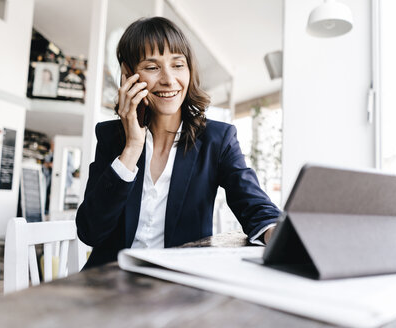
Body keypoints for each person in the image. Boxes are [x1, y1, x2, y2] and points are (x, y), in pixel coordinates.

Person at [76, 17, 279, 269]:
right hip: (111, 282)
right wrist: (131, 148)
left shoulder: (218, 140)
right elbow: (90, 232)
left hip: (179, 284)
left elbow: (255, 206)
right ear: (128, 74)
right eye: (152, 67)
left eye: (178, 65)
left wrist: (278, 236)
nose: (169, 80)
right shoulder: (111, 137)